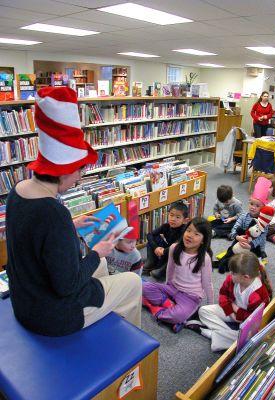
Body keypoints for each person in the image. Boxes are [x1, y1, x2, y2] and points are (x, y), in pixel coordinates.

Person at [5, 87, 142, 337]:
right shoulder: (53, 213)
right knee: (132, 282)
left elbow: (36, 237)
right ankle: (132, 349)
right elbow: (67, 286)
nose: (79, 179)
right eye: (79, 171)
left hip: (25, 302)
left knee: (100, 270)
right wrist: (96, 252)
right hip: (53, 316)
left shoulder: (18, 191)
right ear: (64, 169)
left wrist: (72, 225)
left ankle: (105, 320)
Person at [142, 217, 214, 333]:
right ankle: (168, 306)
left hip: (190, 297)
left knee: (179, 315)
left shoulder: (205, 258)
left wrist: (211, 306)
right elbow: (170, 269)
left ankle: (156, 309)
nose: (190, 235)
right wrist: (166, 287)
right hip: (172, 287)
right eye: (189, 230)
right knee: (144, 287)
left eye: (196, 234)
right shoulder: (174, 248)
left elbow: (207, 284)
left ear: (203, 240)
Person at [198, 253, 272, 352]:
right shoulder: (231, 279)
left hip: (247, 320)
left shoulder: (258, 293)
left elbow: (254, 318)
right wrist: (231, 312)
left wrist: (236, 309)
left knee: (251, 338)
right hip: (233, 313)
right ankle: (227, 335)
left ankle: (215, 334)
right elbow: (223, 295)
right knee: (203, 311)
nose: (230, 274)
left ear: (245, 277)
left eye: (233, 273)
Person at [215, 177, 273, 273]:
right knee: (230, 251)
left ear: (263, 207)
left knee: (246, 264)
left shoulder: (263, 221)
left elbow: (262, 237)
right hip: (241, 240)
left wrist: (251, 245)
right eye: (251, 204)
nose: (253, 207)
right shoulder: (243, 216)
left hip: (255, 247)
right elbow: (235, 227)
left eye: (257, 206)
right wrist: (237, 237)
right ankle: (222, 263)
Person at [143, 200, 189, 279]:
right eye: (171, 215)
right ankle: (151, 261)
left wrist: (163, 251)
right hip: (166, 250)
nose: (173, 219)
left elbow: (177, 246)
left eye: (178, 217)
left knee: (177, 249)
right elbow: (150, 234)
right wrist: (156, 248)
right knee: (154, 237)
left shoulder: (184, 231)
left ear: (185, 220)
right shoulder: (166, 226)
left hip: (175, 252)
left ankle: (164, 270)